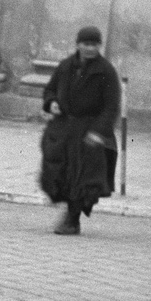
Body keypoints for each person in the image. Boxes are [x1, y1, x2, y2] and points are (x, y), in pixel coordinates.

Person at [40, 26, 120, 236]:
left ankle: (72, 220)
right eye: (86, 44)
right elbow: (50, 89)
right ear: (78, 44)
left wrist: (98, 132)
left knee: (83, 179)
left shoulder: (106, 71)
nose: (90, 49)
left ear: (99, 46)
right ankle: (69, 212)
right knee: (57, 172)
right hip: (64, 127)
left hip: (89, 132)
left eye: (94, 44)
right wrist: (51, 103)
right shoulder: (66, 66)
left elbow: (112, 107)